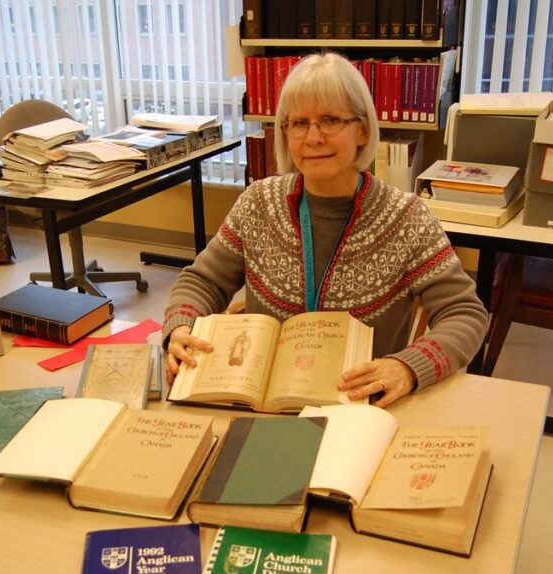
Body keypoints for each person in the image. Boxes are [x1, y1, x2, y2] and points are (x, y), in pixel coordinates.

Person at [163, 52, 487, 408]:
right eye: (299, 123)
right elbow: (202, 282)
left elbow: (465, 314)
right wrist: (180, 328)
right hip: (263, 407)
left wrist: (408, 367)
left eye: (331, 120)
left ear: (362, 130)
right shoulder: (258, 203)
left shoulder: (406, 218)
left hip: (360, 411)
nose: (313, 137)